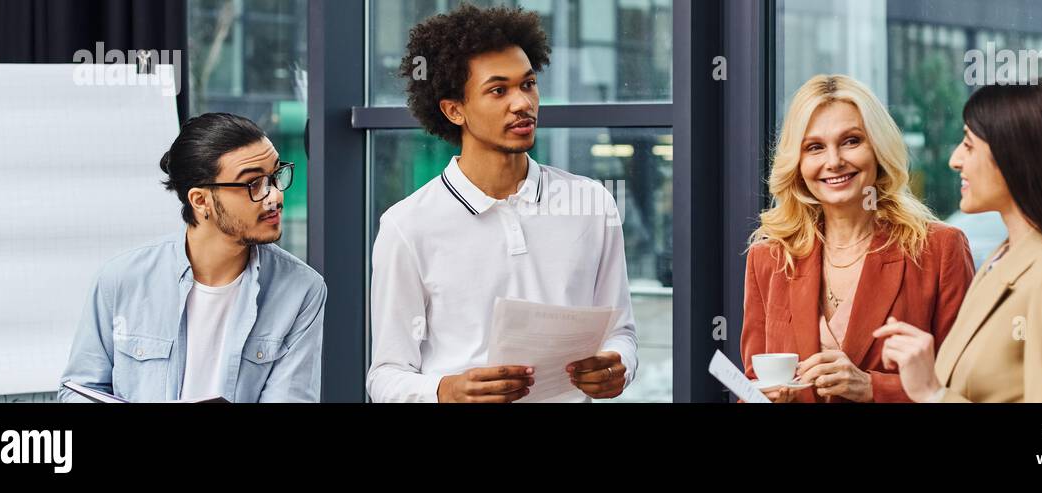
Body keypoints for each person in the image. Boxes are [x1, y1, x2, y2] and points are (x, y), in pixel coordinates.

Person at [366, 5, 637, 403]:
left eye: (527, 84)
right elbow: (386, 375)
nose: (522, 103)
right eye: (499, 90)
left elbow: (622, 332)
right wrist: (445, 391)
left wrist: (619, 368)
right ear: (454, 109)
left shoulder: (592, 203)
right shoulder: (407, 226)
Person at [875, 82, 1042, 403]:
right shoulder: (1001, 259)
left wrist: (932, 394)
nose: (955, 159)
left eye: (968, 144)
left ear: (1016, 156)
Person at [60, 113, 326, 403]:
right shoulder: (122, 279)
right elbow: (77, 391)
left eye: (275, 177)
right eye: (254, 184)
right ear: (201, 201)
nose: (274, 196)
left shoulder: (302, 289)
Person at [743, 74, 974, 403]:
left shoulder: (939, 249)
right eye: (815, 147)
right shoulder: (769, 257)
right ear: (798, 162)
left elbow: (965, 385)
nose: (834, 161)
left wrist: (872, 388)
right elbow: (753, 384)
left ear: (878, 148)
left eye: (851, 141)